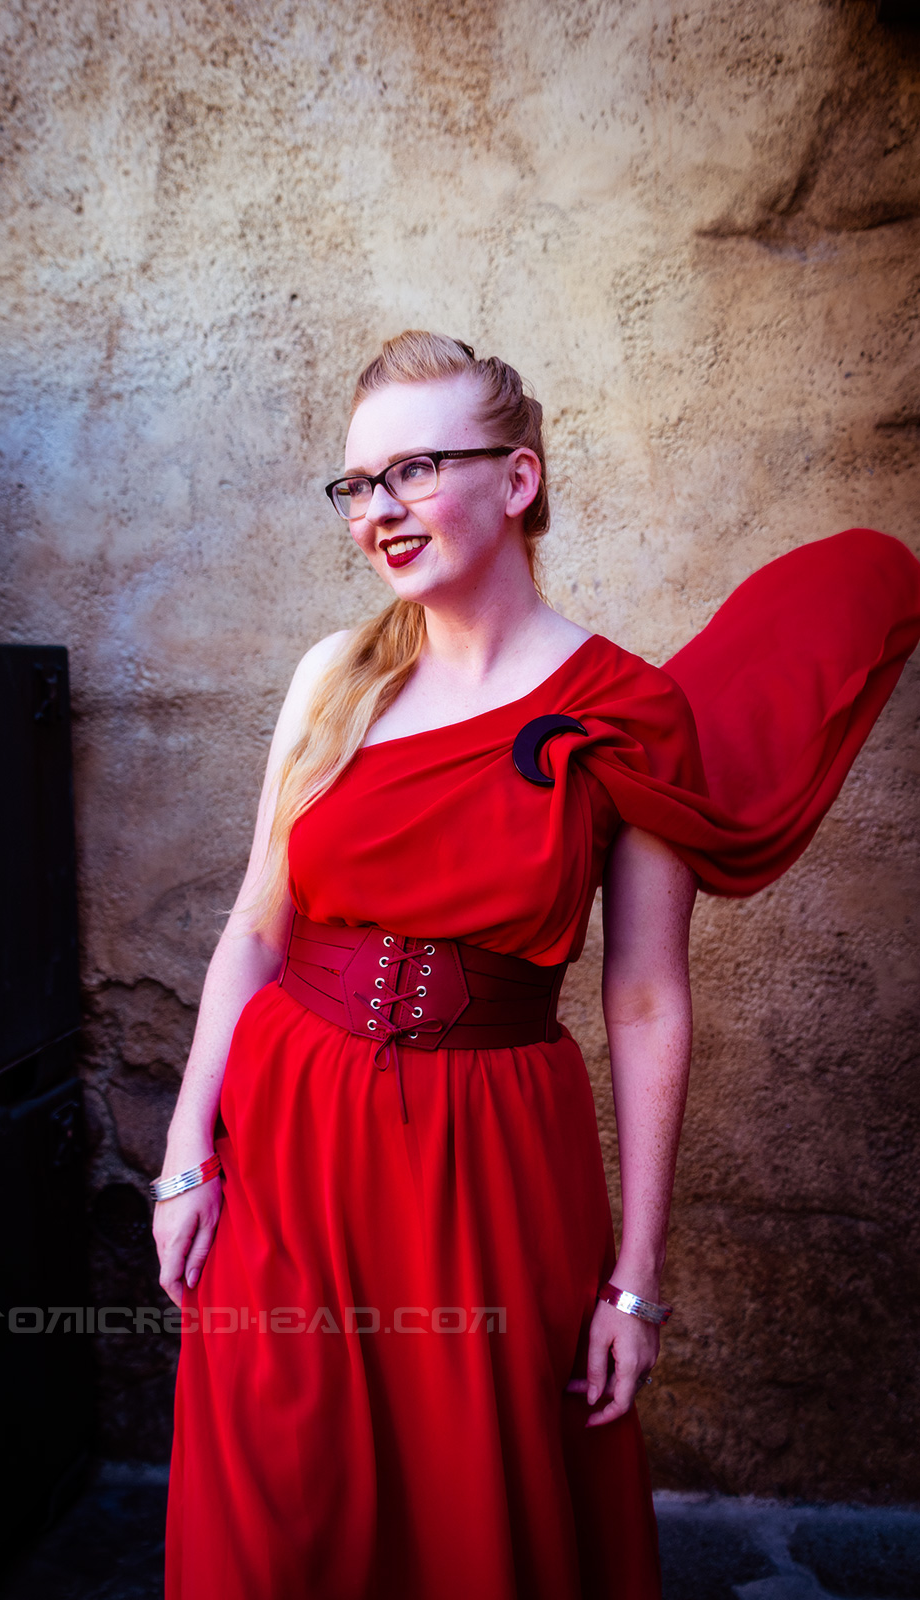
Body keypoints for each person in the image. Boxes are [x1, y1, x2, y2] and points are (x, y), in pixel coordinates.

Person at [154, 332, 920, 1600]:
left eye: (412, 471)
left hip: (487, 1157)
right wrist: (188, 1152)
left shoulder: (624, 712)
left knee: (473, 1513)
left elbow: (643, 995)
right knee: (278, 1497)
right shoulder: (330, 680)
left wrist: (637, 1283)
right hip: (286, 1130)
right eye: (357, 484)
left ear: (515, 482)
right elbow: (252, 928)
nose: (378, 512)